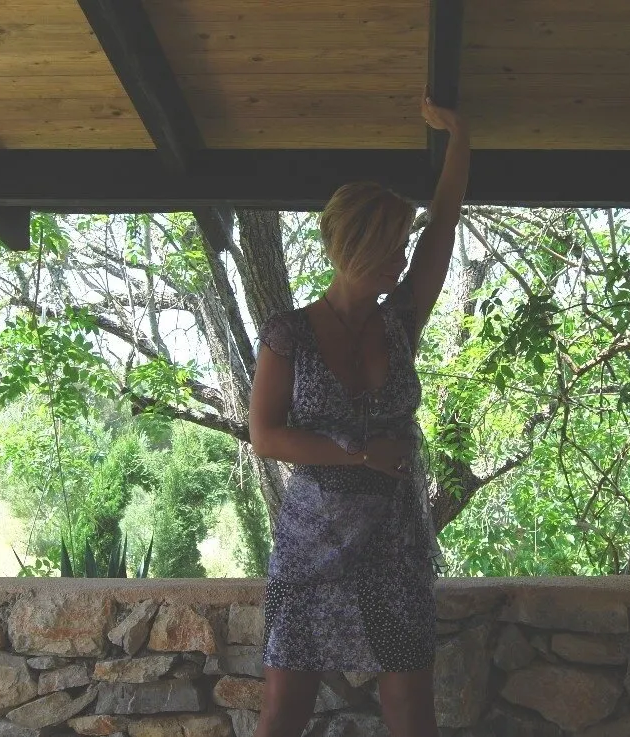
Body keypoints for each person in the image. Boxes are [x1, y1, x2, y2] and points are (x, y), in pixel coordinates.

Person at [247, 94, 468, 737]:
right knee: (283, 710)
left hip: (394, 545)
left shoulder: (401, 320)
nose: (403, 259)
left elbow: (444, 227)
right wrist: (360, 453)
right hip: (312, 544)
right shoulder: (288, 334)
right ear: (360, 247)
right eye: (394, 247)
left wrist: (460, 140)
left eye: (403, 246)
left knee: (411, 710)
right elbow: (266, 437)